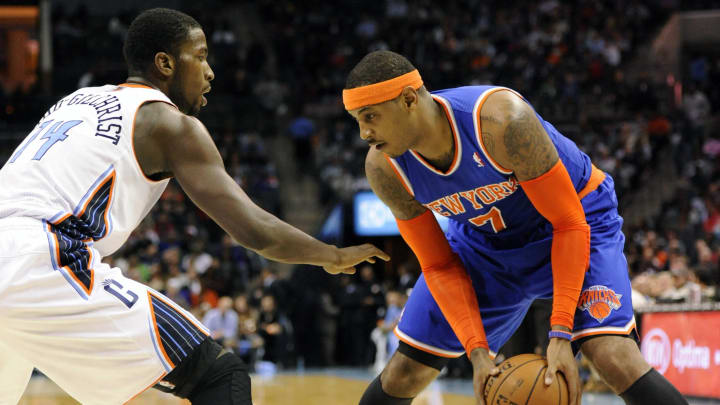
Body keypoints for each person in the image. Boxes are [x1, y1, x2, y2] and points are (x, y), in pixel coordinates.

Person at [0, 8, 388, 405]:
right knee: (219, 375)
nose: (210, 71)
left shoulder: (77, 100)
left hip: (14, 253)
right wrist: (331, 254)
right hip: (39, 261)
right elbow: (253, 230)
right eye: (200, 56)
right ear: (165, 63)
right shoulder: (168, 123)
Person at [343, 50, 687, 405]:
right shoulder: (384, 169)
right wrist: (478, 352)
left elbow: (568, 223)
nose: (364, 133)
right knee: (404, 372)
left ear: (409, 98)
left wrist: (560, 334)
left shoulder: (500, 120)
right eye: (356, 120)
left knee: (612, 356)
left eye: (370, 117)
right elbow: (438, 265)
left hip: (573, 220)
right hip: (485, 244)